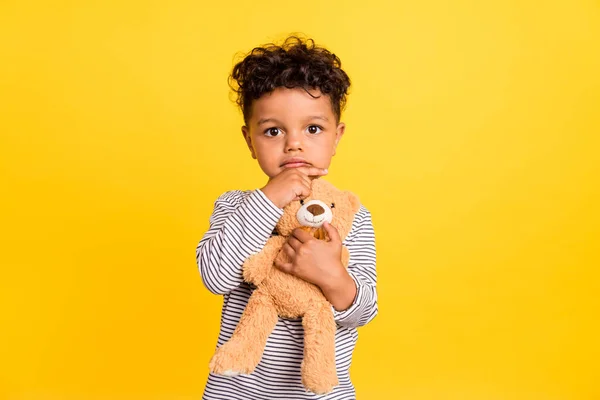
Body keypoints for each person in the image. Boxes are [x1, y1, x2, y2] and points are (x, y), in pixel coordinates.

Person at [196, 35, 378, 400]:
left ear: (336, 137)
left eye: (313, 129)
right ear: (250, 141)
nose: (293, 143)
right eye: (273, 131)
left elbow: (364, 310)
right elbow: (215, 277)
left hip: (320, 394)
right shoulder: (235, 206)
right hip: (239, 391)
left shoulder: (351, 215)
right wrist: (271, 198)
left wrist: (331, 275)